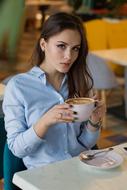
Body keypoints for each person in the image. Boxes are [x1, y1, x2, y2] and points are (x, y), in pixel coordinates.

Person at [3, 12, 105, 169]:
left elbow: (85, 144)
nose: (69, 56)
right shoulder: (18, 87)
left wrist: (94, 121)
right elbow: (16, 149)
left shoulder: (80, 83)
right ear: (43, 44)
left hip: (79, 170)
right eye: (61, 46)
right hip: (43, 177)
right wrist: (45, 121)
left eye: (75, 48)